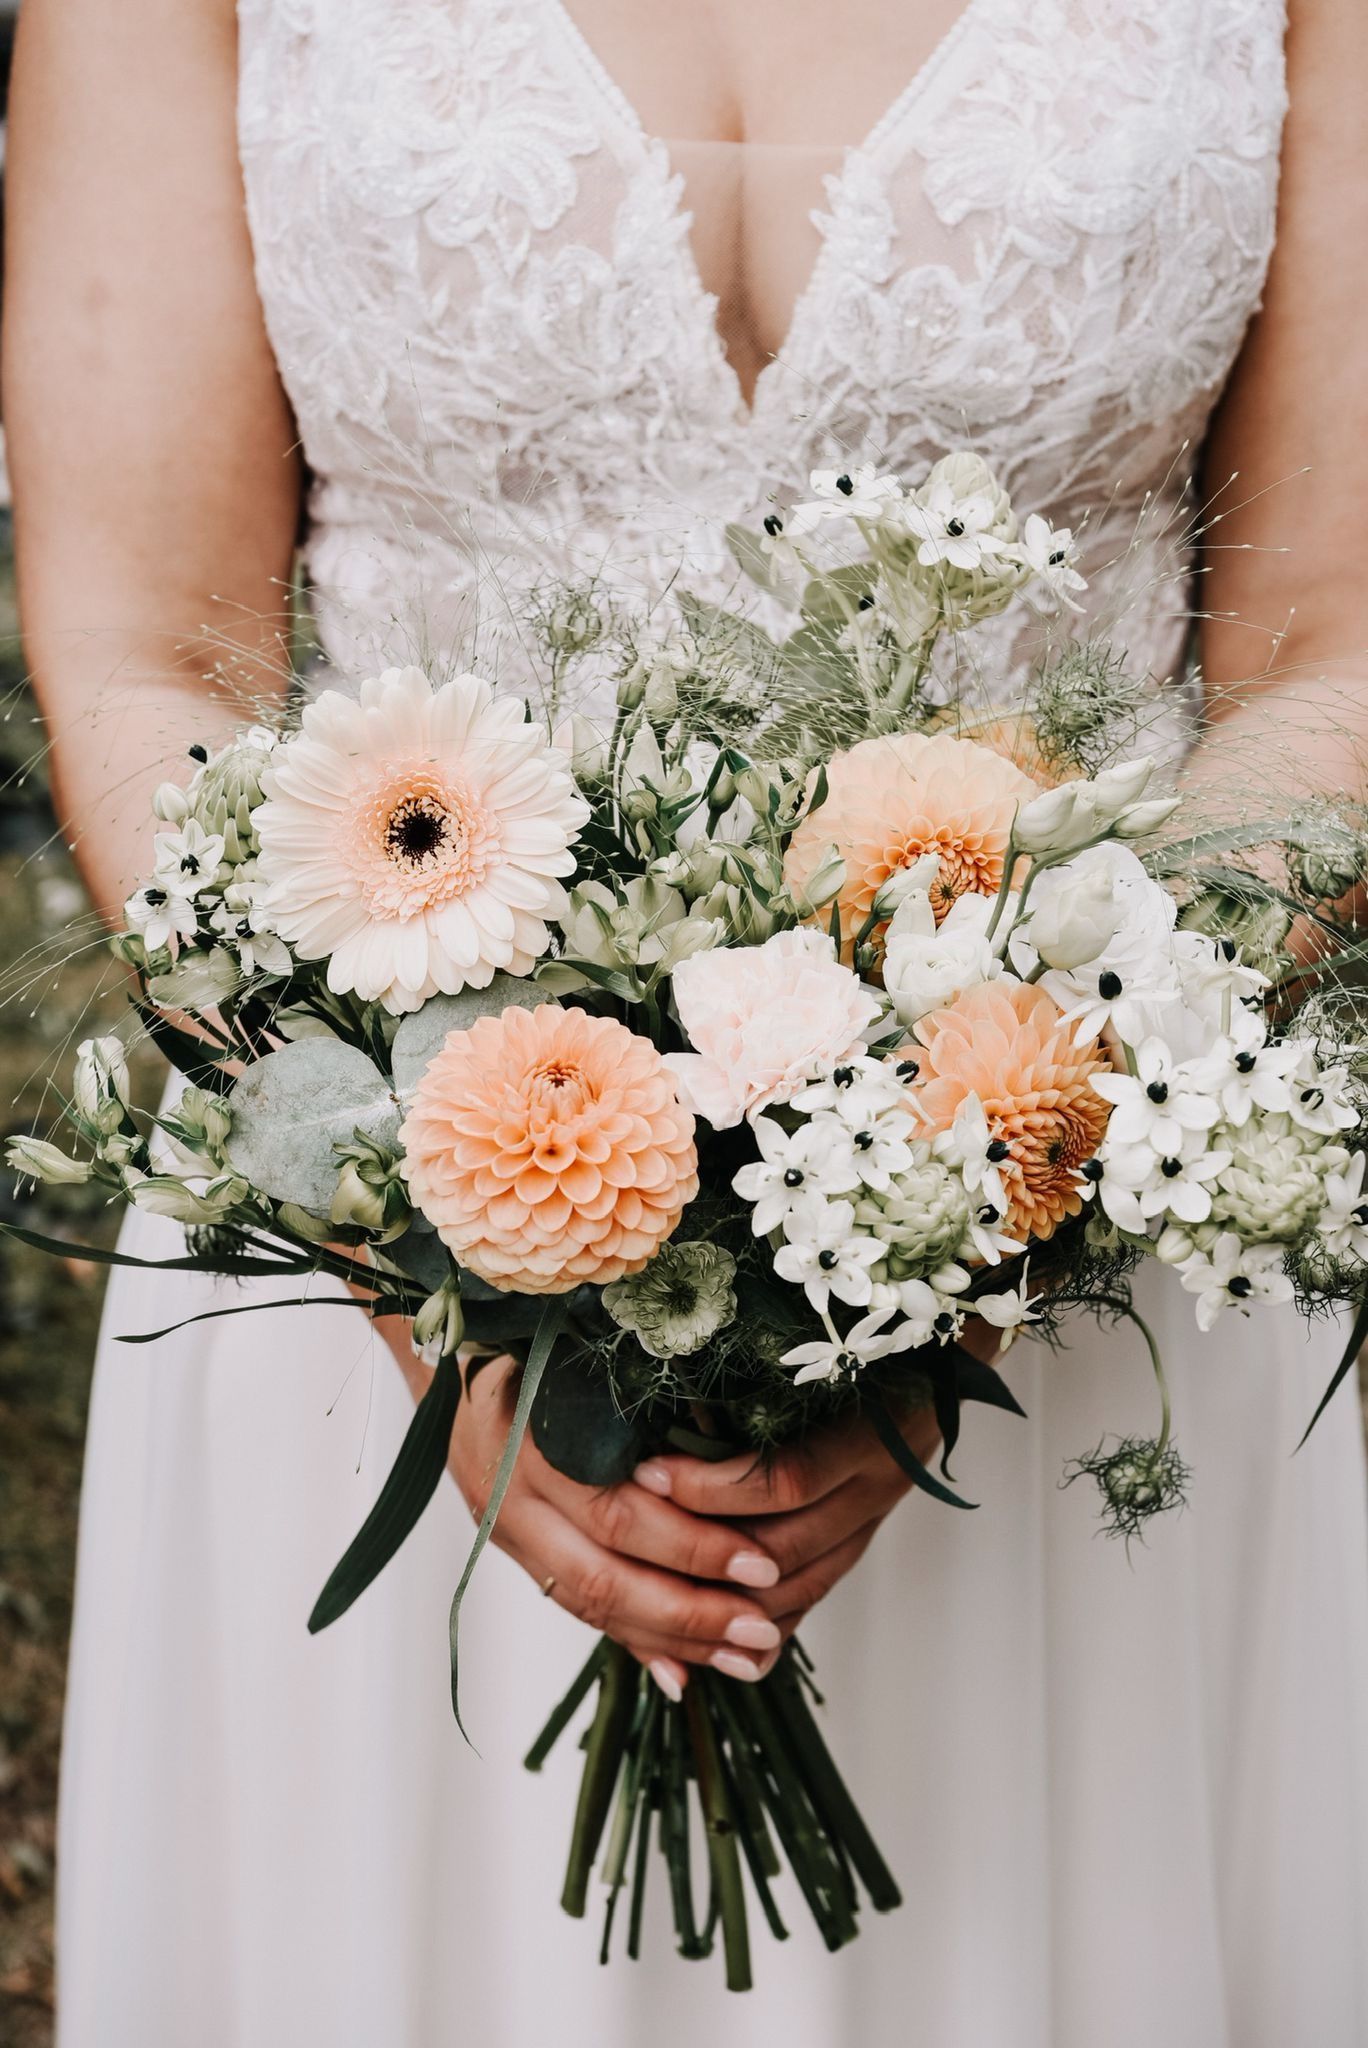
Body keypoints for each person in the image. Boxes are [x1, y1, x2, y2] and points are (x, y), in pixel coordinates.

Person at [6, 0, 1368, 2041]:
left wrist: (988, 1226)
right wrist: (428, 1275)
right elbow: (144, 644)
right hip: (379, 1279)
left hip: (1081, 1289)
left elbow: (1331, 641)